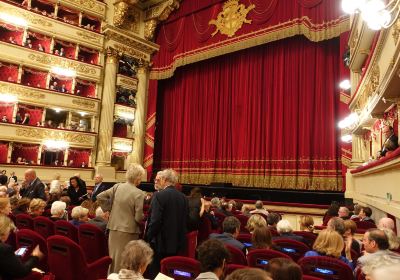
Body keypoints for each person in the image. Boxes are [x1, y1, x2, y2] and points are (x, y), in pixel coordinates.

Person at [97, 163, 145, 274]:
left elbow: (100, 197)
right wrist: (143, 217)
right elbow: (138, 218)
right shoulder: (139, 193)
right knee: (125, 261)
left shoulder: (117, 186)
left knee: (113, 258)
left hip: (113, 228)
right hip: (129, 231)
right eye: (141, 177)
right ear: (137, 177)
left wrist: (109, 210)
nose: (141, 180)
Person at [145, 169, 188, 278]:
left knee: (156, 273)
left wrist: (148, 238)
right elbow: (184, 221)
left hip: (160, 244)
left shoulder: (159, 196)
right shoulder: (183, 198)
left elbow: (155, 221)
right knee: (170, 273)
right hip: (177, 244)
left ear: (164, 179)